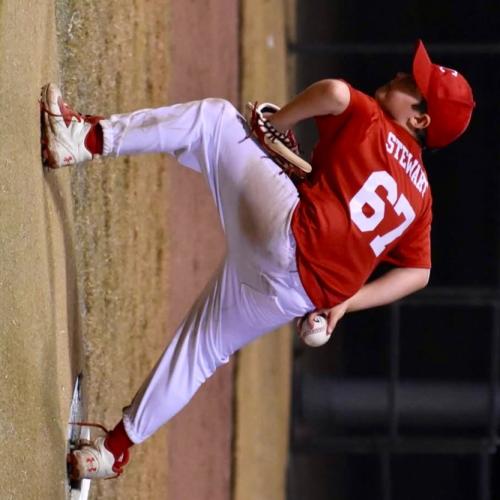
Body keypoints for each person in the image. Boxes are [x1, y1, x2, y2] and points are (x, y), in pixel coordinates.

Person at [40, 39, 474, 480]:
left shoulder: (372, 120)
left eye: (412, 83)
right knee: (201, 351)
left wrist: (277, 123)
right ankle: (110, 453)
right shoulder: (422, 199)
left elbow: (334, 93)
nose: (401, 75)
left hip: (288, 233)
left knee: (214, 121)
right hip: (302, 295)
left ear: (420, 119)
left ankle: (81, 138)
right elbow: (418, 273)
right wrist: (345, 304)